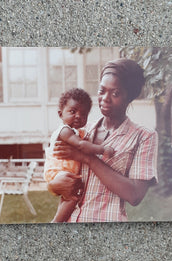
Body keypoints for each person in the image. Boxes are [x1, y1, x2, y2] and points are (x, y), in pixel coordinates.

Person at [48, 58, 158, 222]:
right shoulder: (81, 132)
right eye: (101, 91)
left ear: (130, 97)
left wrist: (87, 158)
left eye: (115, 93)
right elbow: (59, 167)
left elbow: (135, 195)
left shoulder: (143, 137)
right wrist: (52, 185)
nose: (105, 98)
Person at [44, 88, 114, 222]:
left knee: (69, 195)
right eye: (72, 111)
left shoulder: (77, 131)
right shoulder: (65, 131)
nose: (78, 116)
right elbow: (81, 146)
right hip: (58, 171)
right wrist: (102, 149)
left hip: (64, 171)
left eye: (83, 114)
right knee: (74, 195)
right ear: (60, 114)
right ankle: (56, 223)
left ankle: (58, 221)